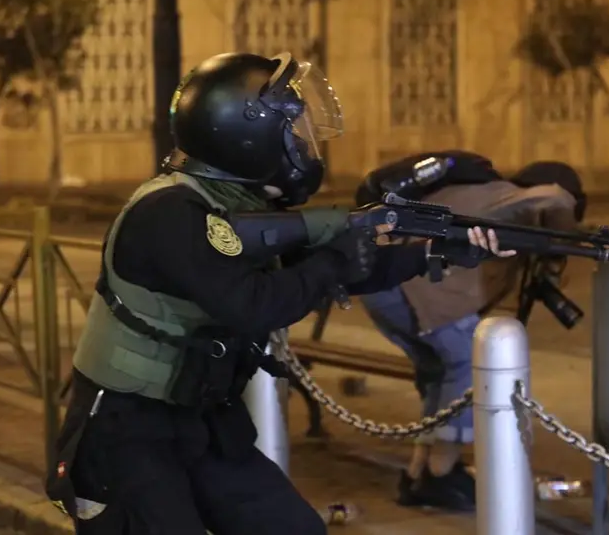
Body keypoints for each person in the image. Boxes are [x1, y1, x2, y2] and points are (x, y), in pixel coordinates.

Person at [44, 52, 513, 535]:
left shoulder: (238, 204)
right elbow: (255, 304)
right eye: (290, 132)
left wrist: (440, 251)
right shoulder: (168, 211)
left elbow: (336, 273)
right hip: (126, 429)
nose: (301, 145)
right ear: (243, 133)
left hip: (202, 418)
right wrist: (337, 257)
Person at [357, 153, 587, 511]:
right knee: (466, 359)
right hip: (408, 285)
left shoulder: (487, 200)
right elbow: (555, 197)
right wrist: (565, 234)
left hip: (384, 283)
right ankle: (442, 473)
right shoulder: (510, 195)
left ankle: (420, 473)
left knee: (439, 371)